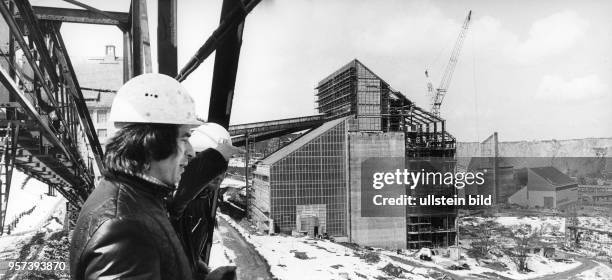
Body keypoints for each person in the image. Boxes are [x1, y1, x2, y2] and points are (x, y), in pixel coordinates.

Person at [69, 73, 215, 279]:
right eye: (184, 138)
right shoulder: (123, 230)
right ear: (152, 143)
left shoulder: (137, 200)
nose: (191, 152)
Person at [169, 123, 244, 279]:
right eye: (212, 169)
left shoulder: (206, 200)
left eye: (223, 168)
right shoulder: (177, 200)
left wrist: (195, 264)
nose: (219, 175)